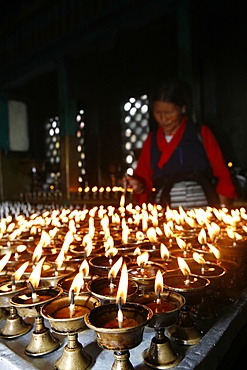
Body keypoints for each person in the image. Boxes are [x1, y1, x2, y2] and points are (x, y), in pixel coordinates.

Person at [125, 81, 237, 209]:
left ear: (183, 109)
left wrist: (223, 208)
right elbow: (143, 178)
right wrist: (138, 187)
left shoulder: (200, 133)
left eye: (169, 113)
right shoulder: (152, 140)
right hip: (165, 209)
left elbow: (221, 173)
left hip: (201, 209)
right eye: (158, 113)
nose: (163, 119)